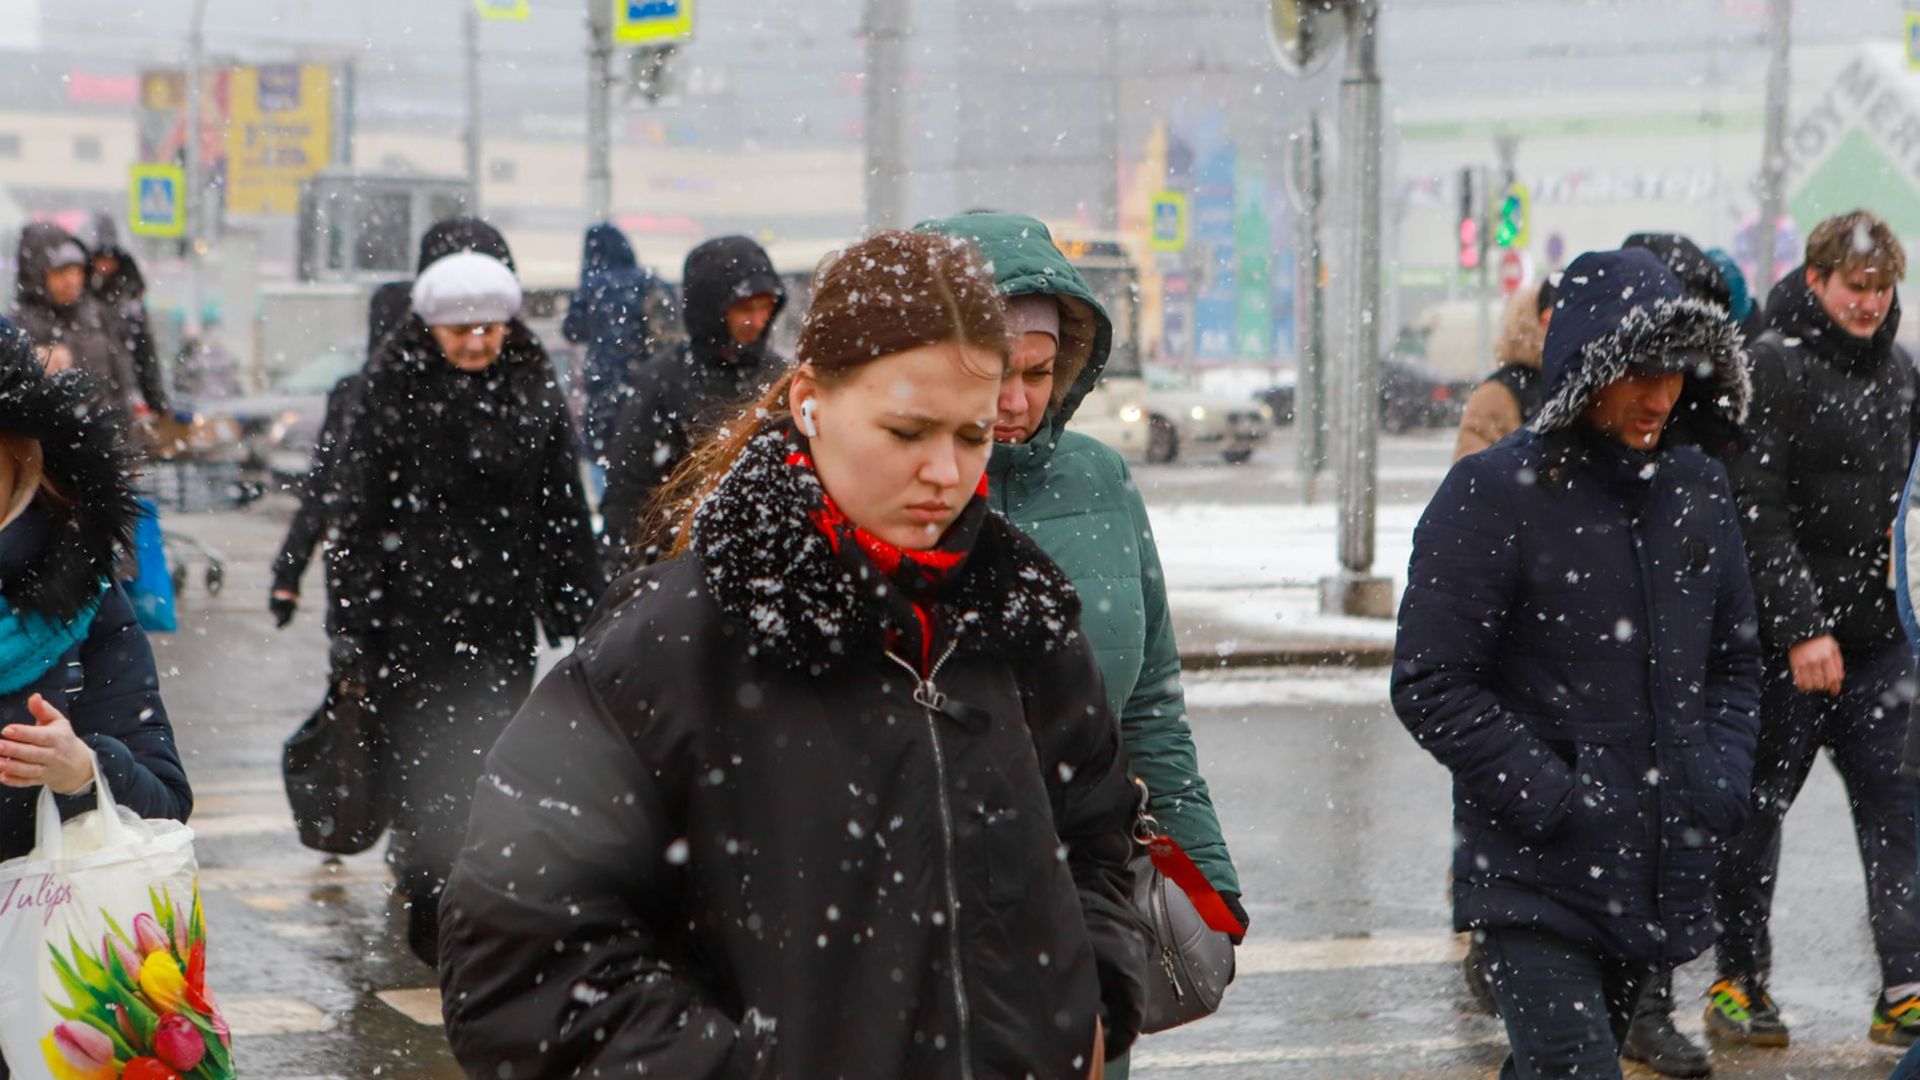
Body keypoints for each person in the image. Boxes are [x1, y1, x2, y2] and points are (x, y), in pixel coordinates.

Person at [438, 230, 1149, 1079]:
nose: (943, 472)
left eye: (970, 435)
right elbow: (520, 955)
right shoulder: (673, 642)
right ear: (810, 398)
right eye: (908, 429)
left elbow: (1099, 842)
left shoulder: (1022, 616)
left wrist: (1092, 1001)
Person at [1394, 247, 1761, 1080]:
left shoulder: (1697, 487)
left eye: (1675, 374)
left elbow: (1736, 664)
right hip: (1534, 879)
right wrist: (1558, 797)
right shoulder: (1493, 493)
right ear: (1586, 366)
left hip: (1654, 869)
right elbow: (1430, 681)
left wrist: (1717, 777)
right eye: (1639, 374)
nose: (1660, 397)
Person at [919, 211, 1242, 1079]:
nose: (1018, 402)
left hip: (1084, 898)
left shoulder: (1103, 480)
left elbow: (1149, 699)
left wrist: (1202, 871)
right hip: (929, 921)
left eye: (1041, 370)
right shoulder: (901, 490)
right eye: (994, 373)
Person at [324, 233, 600, 966]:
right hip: (409, 625)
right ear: (430, 328)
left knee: (490, 764)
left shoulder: (531, 385)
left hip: (499, 620)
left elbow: (559, 509)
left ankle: (471, 918)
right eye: (460, 330)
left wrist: (579, 606)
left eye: (488, 328)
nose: (476, 343)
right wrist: (352, 627)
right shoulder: (390, 390)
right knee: (423, 776)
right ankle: (431, 910)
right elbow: (358, 519)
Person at [1712, 209, 1920, 1048]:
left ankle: (1905, 986)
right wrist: (1801, 627)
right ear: (1817, 282)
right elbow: (1753, 510)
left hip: (1880, 644)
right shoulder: (1772, 366)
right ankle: (1737, 979)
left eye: (1881, 288)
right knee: (1755, 814)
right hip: (1784, 648)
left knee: (1900, 813)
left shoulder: (1904, 373)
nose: (1869, 303)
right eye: (1855, 287)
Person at [0, 318, 191, 1079]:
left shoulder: (84, 599)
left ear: (18, 451)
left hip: (40, 976)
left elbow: (165, 799)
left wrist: (83, 769)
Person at [599, 234, 786, 561]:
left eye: (766, 306)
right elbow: (628, 489)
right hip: (681, 566)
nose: (758, 321)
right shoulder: (663, 380)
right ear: (712, 310)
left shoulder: (779, 377)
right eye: (745, 308)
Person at [267, 281, 412, 628]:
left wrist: (289, 573)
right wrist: (289, 571)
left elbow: (320, 489)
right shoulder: (357, 395)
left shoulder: (359, 393)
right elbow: (321, 487)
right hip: (372, 575)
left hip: (367, 575)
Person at [561, 222, 674, 486]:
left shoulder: (592, 287)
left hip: (605, 389)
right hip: (651, 387)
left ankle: (610, 513)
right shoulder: (651, 282)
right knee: (648, 459)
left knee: (602, 458)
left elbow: (571, 330)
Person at [11, 222, 164, 416]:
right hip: (56, 441)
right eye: (61, 272)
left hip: (108, 436)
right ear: (37, 274)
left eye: (77, 270)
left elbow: (123, 381)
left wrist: (125, 429)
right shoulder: (18, 327)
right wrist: (33, 367)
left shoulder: (96, 314)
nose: (72, 281)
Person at [1451, 275, 1554, 461]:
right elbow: (1473, 476)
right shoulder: (1501, 392)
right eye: (1551, 318)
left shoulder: (1593, 385)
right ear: (1538, 320)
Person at [85, 213, 164, 409]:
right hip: (95, 393)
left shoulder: (129, 303)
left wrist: (156, 401)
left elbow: (145, 355)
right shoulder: (83, 299)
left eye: (109, 258)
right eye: (99, 258)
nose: (104, 266)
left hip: (123, 395)